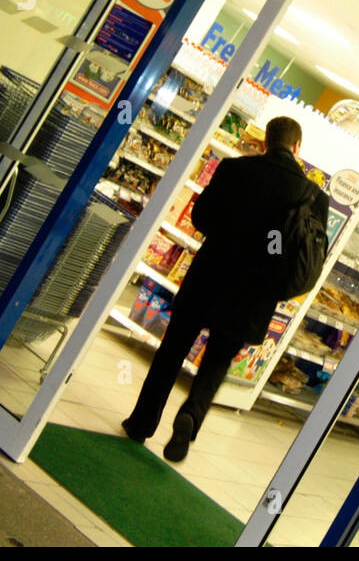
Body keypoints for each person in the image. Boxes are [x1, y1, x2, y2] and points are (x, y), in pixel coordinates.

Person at [122, 115, 329, 462]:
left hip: (209, 275)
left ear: (265, 141)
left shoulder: (234, 169)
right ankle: (192, 413)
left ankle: (141, 423)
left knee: (172, 351)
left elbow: (201, 218)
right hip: (254, 294)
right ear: (297, 148)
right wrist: (269, 248)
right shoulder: (311, 196)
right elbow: (290, 249)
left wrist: (230, 231)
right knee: (216, 362)